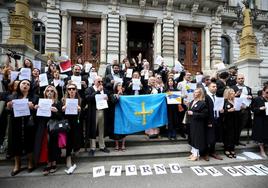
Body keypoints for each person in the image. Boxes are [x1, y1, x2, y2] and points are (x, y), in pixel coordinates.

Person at [6, 79, 38, 176]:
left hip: (29, 123)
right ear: (19, 85)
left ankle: (30, 162)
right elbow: (7, 112)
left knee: (29, 141)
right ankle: (17, 165)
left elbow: (37, 111)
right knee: (16, 142)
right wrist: (8, 107)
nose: (26, 85)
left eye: (28, 84)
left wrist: (33, 108)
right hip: (16, 123)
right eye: (23, 83)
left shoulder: (35, 97)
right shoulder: (12, 97)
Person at [34, 85, 62, 176]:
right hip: (44, 127)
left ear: (55, 93)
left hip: (54, 127)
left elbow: (61, 117)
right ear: (45, 93)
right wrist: (36, 109)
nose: (49, 92)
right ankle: (47, 162)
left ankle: (53, 162)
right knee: (45, 145)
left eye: (52, 91)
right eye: (48, 91)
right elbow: (38, 117)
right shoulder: (41, 102)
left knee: (53, 145)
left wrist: (56, 111)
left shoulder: (58, 102)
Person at [85, 76, 110, 156]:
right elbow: (88, 99)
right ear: (94, 81)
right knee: (93, 129)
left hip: (102, 111)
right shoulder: (89, 89)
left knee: (101, 129)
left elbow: (108, 98)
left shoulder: (104, 90)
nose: (100, 83)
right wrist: (97, 92)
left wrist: (107, 98)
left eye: (101, 81)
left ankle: (102, 146)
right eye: (99, 81)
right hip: (93, 112)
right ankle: (92, 148)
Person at [62, 83, 82, 174]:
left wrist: (80, 109)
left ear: (76, 90)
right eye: (69, 89)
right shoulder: (63, 100)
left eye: (73, 89)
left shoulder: (79, 100)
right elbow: (60, 114)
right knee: (68, 141)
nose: (71, 91)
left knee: (76, 138)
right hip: (67, 123)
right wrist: (63, 109)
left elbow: (84, 113)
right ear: (67, 91)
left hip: (76, 123)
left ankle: (76, 150)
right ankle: (68, 158)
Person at [187, 88, 208, 161]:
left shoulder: (202, 103)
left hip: (198, 124)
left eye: (196, 92)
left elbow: (204, 115)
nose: (194, 93)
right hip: (192, 123)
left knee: (196, 139)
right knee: (192, 138)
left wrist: (193, 113)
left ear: (200, 94)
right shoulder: (192, 101)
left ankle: (196, 155)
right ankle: (193, 153)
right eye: (194, 92)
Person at [231, 73, 252, 146]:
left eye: (242, 78)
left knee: (241, 126)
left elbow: (251, 99)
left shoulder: (248, 88)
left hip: (245, 110)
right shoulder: (232, 87)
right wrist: (235, 95)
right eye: (239, 78)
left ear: (244, 79)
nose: (241, 80)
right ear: (236, 80)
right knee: (234, 126)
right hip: (236, 110)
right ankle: (232, 141)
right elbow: (229, 98)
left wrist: (250, 97)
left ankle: (237, 140)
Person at [204, 82, 223, 161]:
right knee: (208, 137)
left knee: (214, 137)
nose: (215, 88)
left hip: (217, 119)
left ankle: (212, 151)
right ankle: (206, 153)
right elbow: (205, 110)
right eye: (213, 86)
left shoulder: (217, 97)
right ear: (208, 87)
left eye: (216, 86)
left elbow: (218, 107)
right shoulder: (206, 97)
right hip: (209, 120)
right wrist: (208, 122)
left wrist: (221, 110)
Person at [251, 85, 268, 158]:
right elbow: (252, 109)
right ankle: (262, 150)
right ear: (263, 91)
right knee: (260, 135)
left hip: (267, 119)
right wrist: (259, 109)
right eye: (267, 92)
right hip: (260, 120)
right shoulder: (257, 99)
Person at [222, 88, 238, 158]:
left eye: (234, 92)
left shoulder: (236, 101)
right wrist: (228, 111)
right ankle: (226, 149)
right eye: (231, 92)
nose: (233, 93)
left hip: (235, 120)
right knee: (227, 135)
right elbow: (221, 112)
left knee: (233, 135)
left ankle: (232, 148)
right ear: (228, 94)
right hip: (227, 121)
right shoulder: (224, 101)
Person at [110, 82, 127, 151]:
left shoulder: (125, 95)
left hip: (123, 113)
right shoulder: (112, 95)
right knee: (116, 129)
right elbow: (113, 102)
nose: (120, 87)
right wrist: (118, 95)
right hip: (116, 114)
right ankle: (117, 145)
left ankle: (123, 145)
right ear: (116, 87)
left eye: (121, 86)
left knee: (124, 129)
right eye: (118, 85)